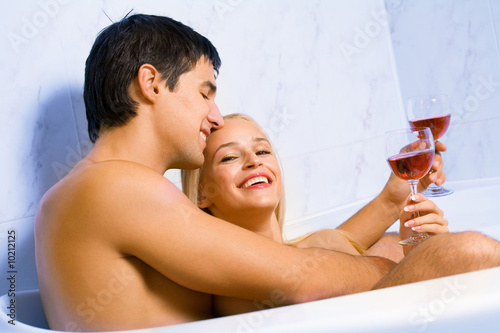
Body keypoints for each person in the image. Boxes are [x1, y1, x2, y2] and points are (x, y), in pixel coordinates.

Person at [34, 13, 500, 332]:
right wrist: (404, 264)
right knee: (464, 253)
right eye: (204, 92)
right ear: (152, 82)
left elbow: (288, 258)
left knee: (410, 247)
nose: (215, 115)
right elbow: (302, 277)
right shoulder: (113, 185)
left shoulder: (96, 189)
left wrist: (391, 216)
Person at [181, 113, 453, 315]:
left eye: (262, 150)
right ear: (201, 193)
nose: (254, 161)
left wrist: (398, 206)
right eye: (229, 157)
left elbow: (325, 251)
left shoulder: (316, 245)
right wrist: (421, 263)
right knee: (469, 250)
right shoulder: (237, 279)